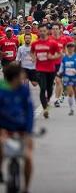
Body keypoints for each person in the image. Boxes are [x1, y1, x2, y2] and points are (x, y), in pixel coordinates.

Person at [0, 63, 34, 191]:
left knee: (28, 157)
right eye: (21, 73)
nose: (24, 75)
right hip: (4, 128)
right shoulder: (2, 91)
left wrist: (29, 132)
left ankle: (26, 188)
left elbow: (29, 111)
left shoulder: (24, 90)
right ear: (15, 77)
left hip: (21, 129)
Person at [31, 24, 61, 119]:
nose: (43, 33)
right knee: (42, 88)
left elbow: (59, 54)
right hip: (40, 69)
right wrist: (33, 58)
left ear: (47, 31)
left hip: (51, 69)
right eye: (41, 31)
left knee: (50, 89)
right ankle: (45, 109)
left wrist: (53, 57)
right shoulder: (35, 43)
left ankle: (47, 101)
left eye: (44, 31)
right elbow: (32, 52)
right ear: (38, 32)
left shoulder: (52, 43)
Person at [57, 42, 76, 116]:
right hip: (67, 77)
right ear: (67, 48)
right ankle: (71, 109)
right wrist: (59, 73)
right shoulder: (64, 58)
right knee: (70, 93)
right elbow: (61, 67)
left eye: (72, 47)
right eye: (69, 47)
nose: (70, 48)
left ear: (74, 48)